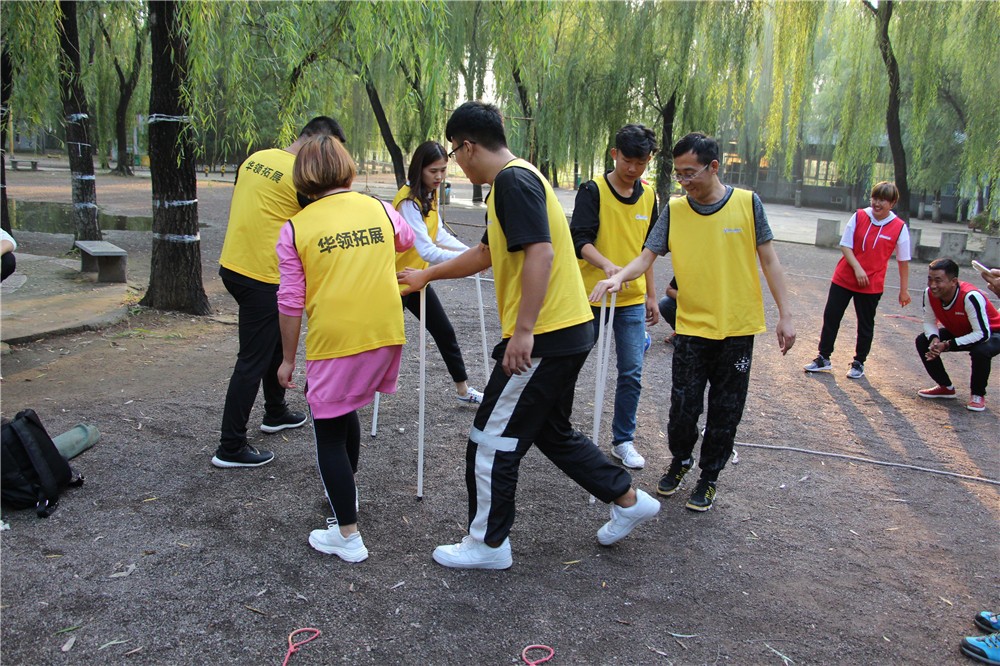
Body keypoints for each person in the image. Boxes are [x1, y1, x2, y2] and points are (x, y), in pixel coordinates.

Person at [398, 101, 660, 570]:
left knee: (488, 438)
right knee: (551, 432)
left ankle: (488, 544)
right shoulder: (519, 179)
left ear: (468, 145)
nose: (455, 163)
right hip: (569, 330)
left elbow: (540, 254)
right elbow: (485, 253)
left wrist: (522, 333)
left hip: (545, 336)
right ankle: (627, 500)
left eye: (456, 153)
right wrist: (426, 278)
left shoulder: (512, 183)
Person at [591, 132, 795, 512]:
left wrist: (785, 316)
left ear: (713, 167)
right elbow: (647, 255)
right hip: (691, 328)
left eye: (690, 173)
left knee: (725, 408)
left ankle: (709, 476)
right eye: (678, 174)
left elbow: (769, 260)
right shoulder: (675, 210)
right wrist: (619, 276)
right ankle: (681, 459)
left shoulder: (748, 204)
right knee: (683, 407)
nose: (684, 182)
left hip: (737, 328)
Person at [276, 134, 415, 563]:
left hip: (336, 342)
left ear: (303, 175)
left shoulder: (295, 227)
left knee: (329, 432)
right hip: (384, 333)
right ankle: (345, 497)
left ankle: (348, 536)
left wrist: (285, 359)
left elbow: (290, 301)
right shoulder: (377, 206)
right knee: (345, 408)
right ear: (347, 166)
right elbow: (406, 240)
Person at [213, 116, 346, 469]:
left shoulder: (257, 158)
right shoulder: (301, 179)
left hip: (233, 266)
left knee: (272, 341)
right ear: (318, 142)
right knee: (252, 360)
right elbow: (325, 219)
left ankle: (275, 411)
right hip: (262, 276)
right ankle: (230, 446)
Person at [570, 124, 659, 470]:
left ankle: (623, 440)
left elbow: (648, 251)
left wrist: (651, 295)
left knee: (632, 371)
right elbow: (580, 241)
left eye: (641, 162)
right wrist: (609, 268)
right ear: (614, 155)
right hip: (591, 296)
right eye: (627, 160)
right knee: (571, 362)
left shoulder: (650, 196)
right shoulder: (593, 190)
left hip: (631, 300)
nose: (633, 169)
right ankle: (556, 425)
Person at [393, 141, 484, 404]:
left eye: (443, 170)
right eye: (433, 170)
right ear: (419, 169)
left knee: (444, 332)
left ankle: (464, 391)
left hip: (418, 279)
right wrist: (473, 258)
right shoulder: (408, 202)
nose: (439, 176)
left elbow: (440, 234)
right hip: (396, 281)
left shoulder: (428, 196)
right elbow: (428, 251)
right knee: (379, 342)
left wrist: (474, 252)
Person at [804, 181, 911, 379]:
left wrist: (904, 290)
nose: (878, 203)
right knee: (831, 317)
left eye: (883, 200)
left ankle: (859, 362)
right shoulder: (860, 215)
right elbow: (845, 245)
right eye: (875, 198)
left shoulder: (899, 227)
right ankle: (823, 357)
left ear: (892, 203)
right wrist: (858, 268)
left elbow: (904, 262)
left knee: (865, 324)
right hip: (844, 278)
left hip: (871, 285)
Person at [915, 258, 1000, 412]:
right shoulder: (929, 293)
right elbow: (929, 321)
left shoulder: (970, 296)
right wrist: (934, 339)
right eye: (930, 279)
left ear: (953, 281)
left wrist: (947, 344)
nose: (933, 285)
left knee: (981, 351)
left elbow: (982, 334)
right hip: (963, 329)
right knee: (923, 340)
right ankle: (945, 387)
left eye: (938, 280)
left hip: (993, 332)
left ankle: (977, 395)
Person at [658, 276, 678, 345]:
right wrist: (689, 300)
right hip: (689, 305)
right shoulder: (688, 270)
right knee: (665, 303)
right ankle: (680, 332)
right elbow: (669, 290)